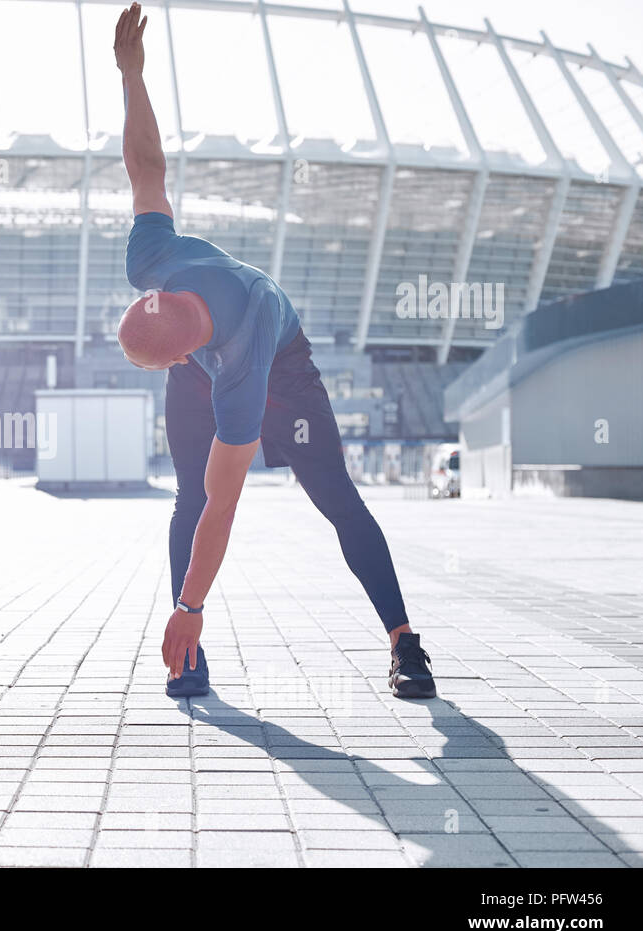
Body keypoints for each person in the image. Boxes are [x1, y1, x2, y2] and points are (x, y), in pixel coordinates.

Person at [112, 5, 436, 700]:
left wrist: (190, 604)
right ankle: (188, 658)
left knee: (333, 497)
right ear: (151, 297)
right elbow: (146, 164)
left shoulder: (243, 361)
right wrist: (132, 78)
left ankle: (405, 641)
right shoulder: (153, 258)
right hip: (212, 360)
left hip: (283, 369)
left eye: (162, 365)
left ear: (177, 354)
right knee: (184, 497)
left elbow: (226, 506)